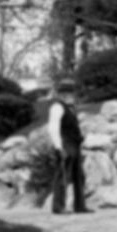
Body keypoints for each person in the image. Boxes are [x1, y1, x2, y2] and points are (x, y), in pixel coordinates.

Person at [47, 83, 89, 213]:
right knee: (63, 175)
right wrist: (58, 147)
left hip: (74, 144)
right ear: (64, 95)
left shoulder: (70, 108)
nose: (73, 96)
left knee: (79, 176)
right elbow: (53, 128)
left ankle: (79, 206)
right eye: (71, 93)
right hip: (65, 143)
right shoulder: (57, 107)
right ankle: (58, 207)